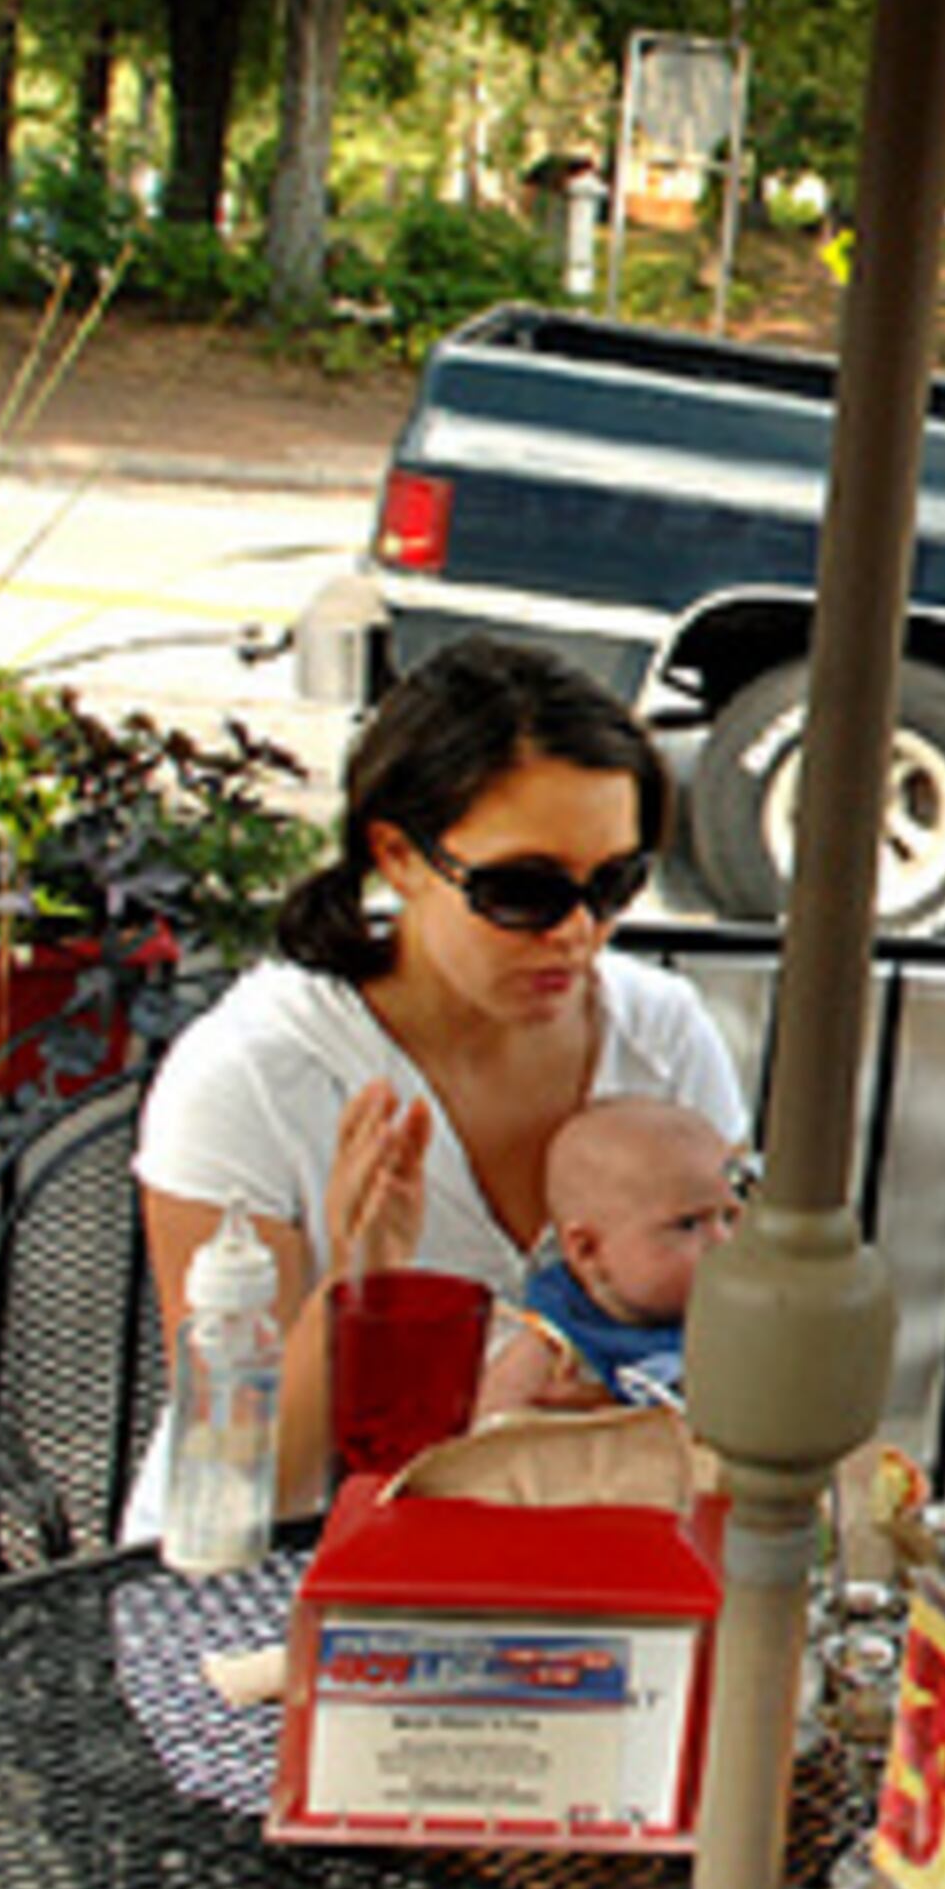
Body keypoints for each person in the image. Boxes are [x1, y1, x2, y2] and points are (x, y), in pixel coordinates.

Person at [128, 635, 748, 1530]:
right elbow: (234, 1487)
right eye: (524, 892)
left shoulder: (662, 1035)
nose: (576, 932)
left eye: (615, 883)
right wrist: (358, 1283)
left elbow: (736, 1348)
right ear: (398, 856)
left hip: (568, 1559)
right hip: (278, 1572)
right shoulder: (255, 1074)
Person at [494, 1093, 751, 1410]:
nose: (723, 1242)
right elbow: (489, 1434)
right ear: (589, 1251)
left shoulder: (749, 1314)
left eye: (730, 1216)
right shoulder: (551, 1345)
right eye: (687, 1225)